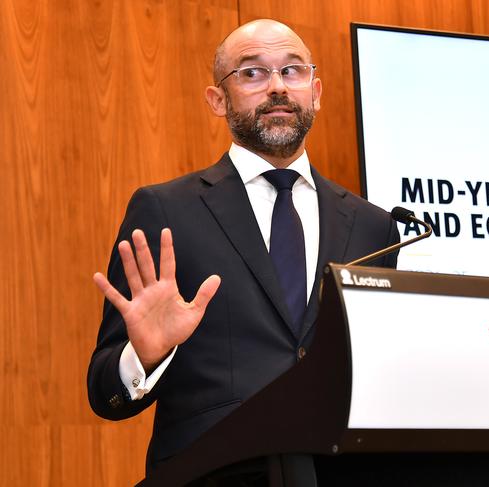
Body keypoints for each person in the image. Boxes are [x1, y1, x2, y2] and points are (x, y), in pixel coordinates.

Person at [87, 18, 399, 475]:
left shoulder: (374, 227)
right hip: (213, 473)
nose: (277, 87)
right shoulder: (166, 211)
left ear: (316, 92)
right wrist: (145, 357)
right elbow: (104, 392)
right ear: (218, 99)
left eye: (292, 71)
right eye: (252, 73)